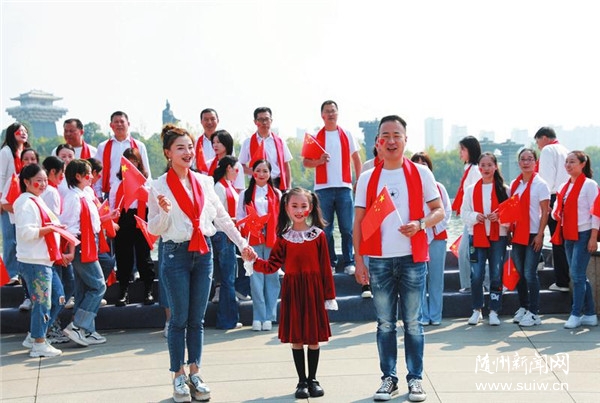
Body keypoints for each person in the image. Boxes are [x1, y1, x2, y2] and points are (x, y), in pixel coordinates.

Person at [147, 125, 256, 403]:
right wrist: (165, 212)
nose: (187, 152)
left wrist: (242, 244)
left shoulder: (205, 182)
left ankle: (195, 372)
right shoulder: (158, 186)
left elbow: (222, 218)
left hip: (203, 252)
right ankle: (178, 375)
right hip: (175, 253)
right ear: (168, 153)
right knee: (179, 319)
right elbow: (153, 228)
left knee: (197, 320)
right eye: (180, 148)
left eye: (189, 147)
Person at [353, 115, 444, 402]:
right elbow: (358, 222)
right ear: (378, 142)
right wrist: (359, 260)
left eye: (397, 135)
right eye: (386, 136)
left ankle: (415, 379)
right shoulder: (368, 177)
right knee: (385, 324)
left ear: (405, 139)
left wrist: (420, 224)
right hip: (379, 259)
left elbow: (439, 210)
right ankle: (388, 378)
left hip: (412, 258)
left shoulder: (421, 173)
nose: (391, 141)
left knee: (414, 322)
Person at [251, 187, 336, 399]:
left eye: (303, 206)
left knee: (314, 338)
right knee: (297, 337)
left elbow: (325, 268)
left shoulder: (318, 236)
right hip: (293, 291)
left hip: (314, 291)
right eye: (294, 206)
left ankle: (313, 379)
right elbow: (272, 265)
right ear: (286, 208)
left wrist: (329, 296)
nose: (299, 210)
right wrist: (253, 260)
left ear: (311, 207)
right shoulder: (283, 237)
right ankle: (301, 381)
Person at [303, 100, 362, 276]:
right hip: (323, 189)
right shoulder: (315, 136)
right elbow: (306, 162)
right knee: (325, 229)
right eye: (327, 111)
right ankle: (330, 262)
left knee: (347, 228)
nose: (330, 114)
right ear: (322, 115)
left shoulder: (347, 134)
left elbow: (356, 159)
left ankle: (349, 261)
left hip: (344, 187)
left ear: (337, 114)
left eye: (333, 111)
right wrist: (319, 161)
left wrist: (359, 180)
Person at [13, 164, 66, 357]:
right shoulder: (24, 202)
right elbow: (26, 233)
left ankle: (35, 335)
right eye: (38, 180)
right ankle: (39, 343)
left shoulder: (37, 200)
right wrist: (51, 229)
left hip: (45, 260)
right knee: (42, 303)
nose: (43, 184)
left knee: (59, 299)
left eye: (45, 180)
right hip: (34, 261)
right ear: (26, 182)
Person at [60, 159, 108, 347]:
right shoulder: (73, 197)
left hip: (89, 242)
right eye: (88, 173)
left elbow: (93, 221)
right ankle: (78, 326)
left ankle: (87, 330)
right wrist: (71, 251)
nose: (91, 176)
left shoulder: (85, 193)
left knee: (84, 288)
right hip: (81, 245)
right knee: (98, 286)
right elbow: (70, 226)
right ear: (78, 176)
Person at [551, 151, 599, 329]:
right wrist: (556, 212)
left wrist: (593, 237)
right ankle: (590, 314)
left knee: (577, 275)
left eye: (572, 162)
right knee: (578, 276)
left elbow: (596, 212)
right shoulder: (564, 186)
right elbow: (556, 208)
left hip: (584, 234)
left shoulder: (589, 185)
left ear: (582, 164)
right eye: (566, 162)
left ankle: (576, 313)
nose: (568, 165)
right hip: (568, 234)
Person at [461, 152, 509, 326]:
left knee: (496, 274)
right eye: (483, 165)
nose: (486, 168)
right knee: (476, 275)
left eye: (490, 165)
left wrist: (500, 218)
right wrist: (476, 216)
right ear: (479, 168)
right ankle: (477, 309)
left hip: (498, 237)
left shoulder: (504, 189)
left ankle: (494, 310)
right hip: (477, 236)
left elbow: (512, 217)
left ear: (495, 167)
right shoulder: (471, 190)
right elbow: (464, 213)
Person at [237, 159, 282, 331]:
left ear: (270, 174)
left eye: (265, 171)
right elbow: (239, 216)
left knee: (272, 277)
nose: (261, 174)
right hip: (253, 239)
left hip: (272, 239)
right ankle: (258, 316)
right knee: (256, 279)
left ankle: (269, 316)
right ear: (252, 173)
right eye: (258, 170)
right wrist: (249, 226)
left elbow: (283, 218)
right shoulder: (245, 194)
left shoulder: (277, 193)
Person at [509, 149, 550, 327]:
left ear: (535, 162)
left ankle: (534, 312)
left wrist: (540, 234)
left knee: (530, 273)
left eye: (530, 159)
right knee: (520, 273)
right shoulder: (515, 184)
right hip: (517, 234)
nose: (526, 162)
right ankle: (524, 307)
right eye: (523, 159)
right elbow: (511, 209)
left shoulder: (541, 184)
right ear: (519, 162)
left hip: (533, 233)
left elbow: (545, 212)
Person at [110, 148, 155, 306]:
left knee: (144, 256)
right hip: (124, 219)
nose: (132, 164)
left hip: (141, 217)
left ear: (139, 163)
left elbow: (152, 203)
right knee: (123, 257)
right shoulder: (117, 184)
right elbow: (112, 205)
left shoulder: (147, 183)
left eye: (134, 161)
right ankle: (123, 291)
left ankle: (148, 290)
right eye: (128, 161)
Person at [411, 152, 452, 326]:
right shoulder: (409, 188)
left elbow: (446, 212)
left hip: (437, 237)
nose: (421, 168)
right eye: (417, 164)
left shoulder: (438, 187)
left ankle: (435, 315)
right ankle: (422, 315)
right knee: (419, 279)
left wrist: (432, 228)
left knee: (436, 279)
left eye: (424, 164)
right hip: (416, 237)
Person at [534, 127, 571, 293]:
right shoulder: (566, 150)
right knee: (561, 239)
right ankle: (563, 279)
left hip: (552, 197)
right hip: (567, 197)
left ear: (544, 138)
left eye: (537, 142)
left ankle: (542, 264)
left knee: (538, 230)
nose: (538, 146)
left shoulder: (548, 150)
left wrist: (544, 200)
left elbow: (545, 179)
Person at [211, 155, 243, 329]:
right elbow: (216, 214)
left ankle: (227, 319)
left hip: (228, 233)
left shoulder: (228, 186)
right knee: (227, 279)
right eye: (236, 169)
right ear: (228, 168)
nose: (237, 173)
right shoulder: (219, 187)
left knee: (228, 278)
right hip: (223, 234)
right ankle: (227, 320)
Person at [95, 111, 152, 198]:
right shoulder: (103, 147)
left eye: (122, 121)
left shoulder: (139, 146)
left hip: (135, 193)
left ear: (128, 124)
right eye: (116, 122)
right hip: (111, 193)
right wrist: (98, 194)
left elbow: (146, 171)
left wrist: (148, 193)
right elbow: (98, 173)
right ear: (111, 125)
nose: (119, 124)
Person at [0, 122, 29, 284]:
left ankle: (20, 272)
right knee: (10, 238)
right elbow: (1, 176)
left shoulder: (25, 152)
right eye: (19, 131)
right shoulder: (6, 152)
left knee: (21, 238)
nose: (23, 133)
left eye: (25, 131)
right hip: (7, 200)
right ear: (12, 134)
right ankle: (11, 273)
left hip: (22, 200)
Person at [452, 136, 482, 293]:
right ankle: (471, 284)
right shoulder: (469, 169)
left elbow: (477, 195)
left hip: (474, 218)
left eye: (463, 149)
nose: (460, 152)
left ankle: (472, 284)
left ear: (471, 150)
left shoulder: (475, 171)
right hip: (469, 217)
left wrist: (472, 216)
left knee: (465, 252)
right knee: (466, 252)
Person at [239, 107, 293, 191]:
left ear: (271, 121)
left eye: (267, 119)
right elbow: (240, 165)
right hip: (257, 183)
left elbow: (286, 164)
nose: (264, 123)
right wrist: (254, 172)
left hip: (276, 183)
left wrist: (289, 186)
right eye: (260, 120)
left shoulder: (280, 142)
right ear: (255, 122)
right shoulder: (248, 142)